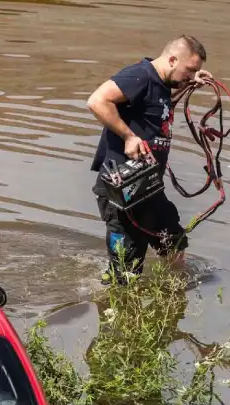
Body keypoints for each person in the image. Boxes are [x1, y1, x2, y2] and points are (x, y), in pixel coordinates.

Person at [86, 35, 212, 285]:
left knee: (173, 242)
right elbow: (97, 100)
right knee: (126, 273)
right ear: (173, 59)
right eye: (190, 69)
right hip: (122, 188)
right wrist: (129, 136)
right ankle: (116, 309)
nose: (192, 74)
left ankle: (176, 297)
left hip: (149, 186)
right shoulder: (140, 75)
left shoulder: (163, 83)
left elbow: (157, 111)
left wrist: (190, 83)